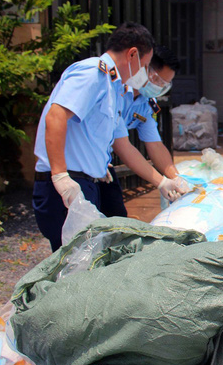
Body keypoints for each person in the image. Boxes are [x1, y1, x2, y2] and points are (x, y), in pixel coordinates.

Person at [33, 23, 187, 251]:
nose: (141, 72)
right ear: (132, 55)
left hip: (88, 182)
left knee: (93, 257)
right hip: (67, 186)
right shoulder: (93, 73)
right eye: (144, 66)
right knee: (73, 265)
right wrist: (60, 175)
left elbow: (123, 145)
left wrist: (163, 181)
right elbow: (55, 116)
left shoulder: (114, 87)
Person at [99, 45, 188, 217]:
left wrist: (176, 179)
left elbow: (155, 144)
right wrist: (161, 182)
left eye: (165, 85)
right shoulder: (116, 90)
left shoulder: (146, 103)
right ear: (146, 68)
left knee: (116, 218)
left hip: (103, 164)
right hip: (83, 163)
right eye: (158, 81)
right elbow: (122, 146)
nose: (159, 87)